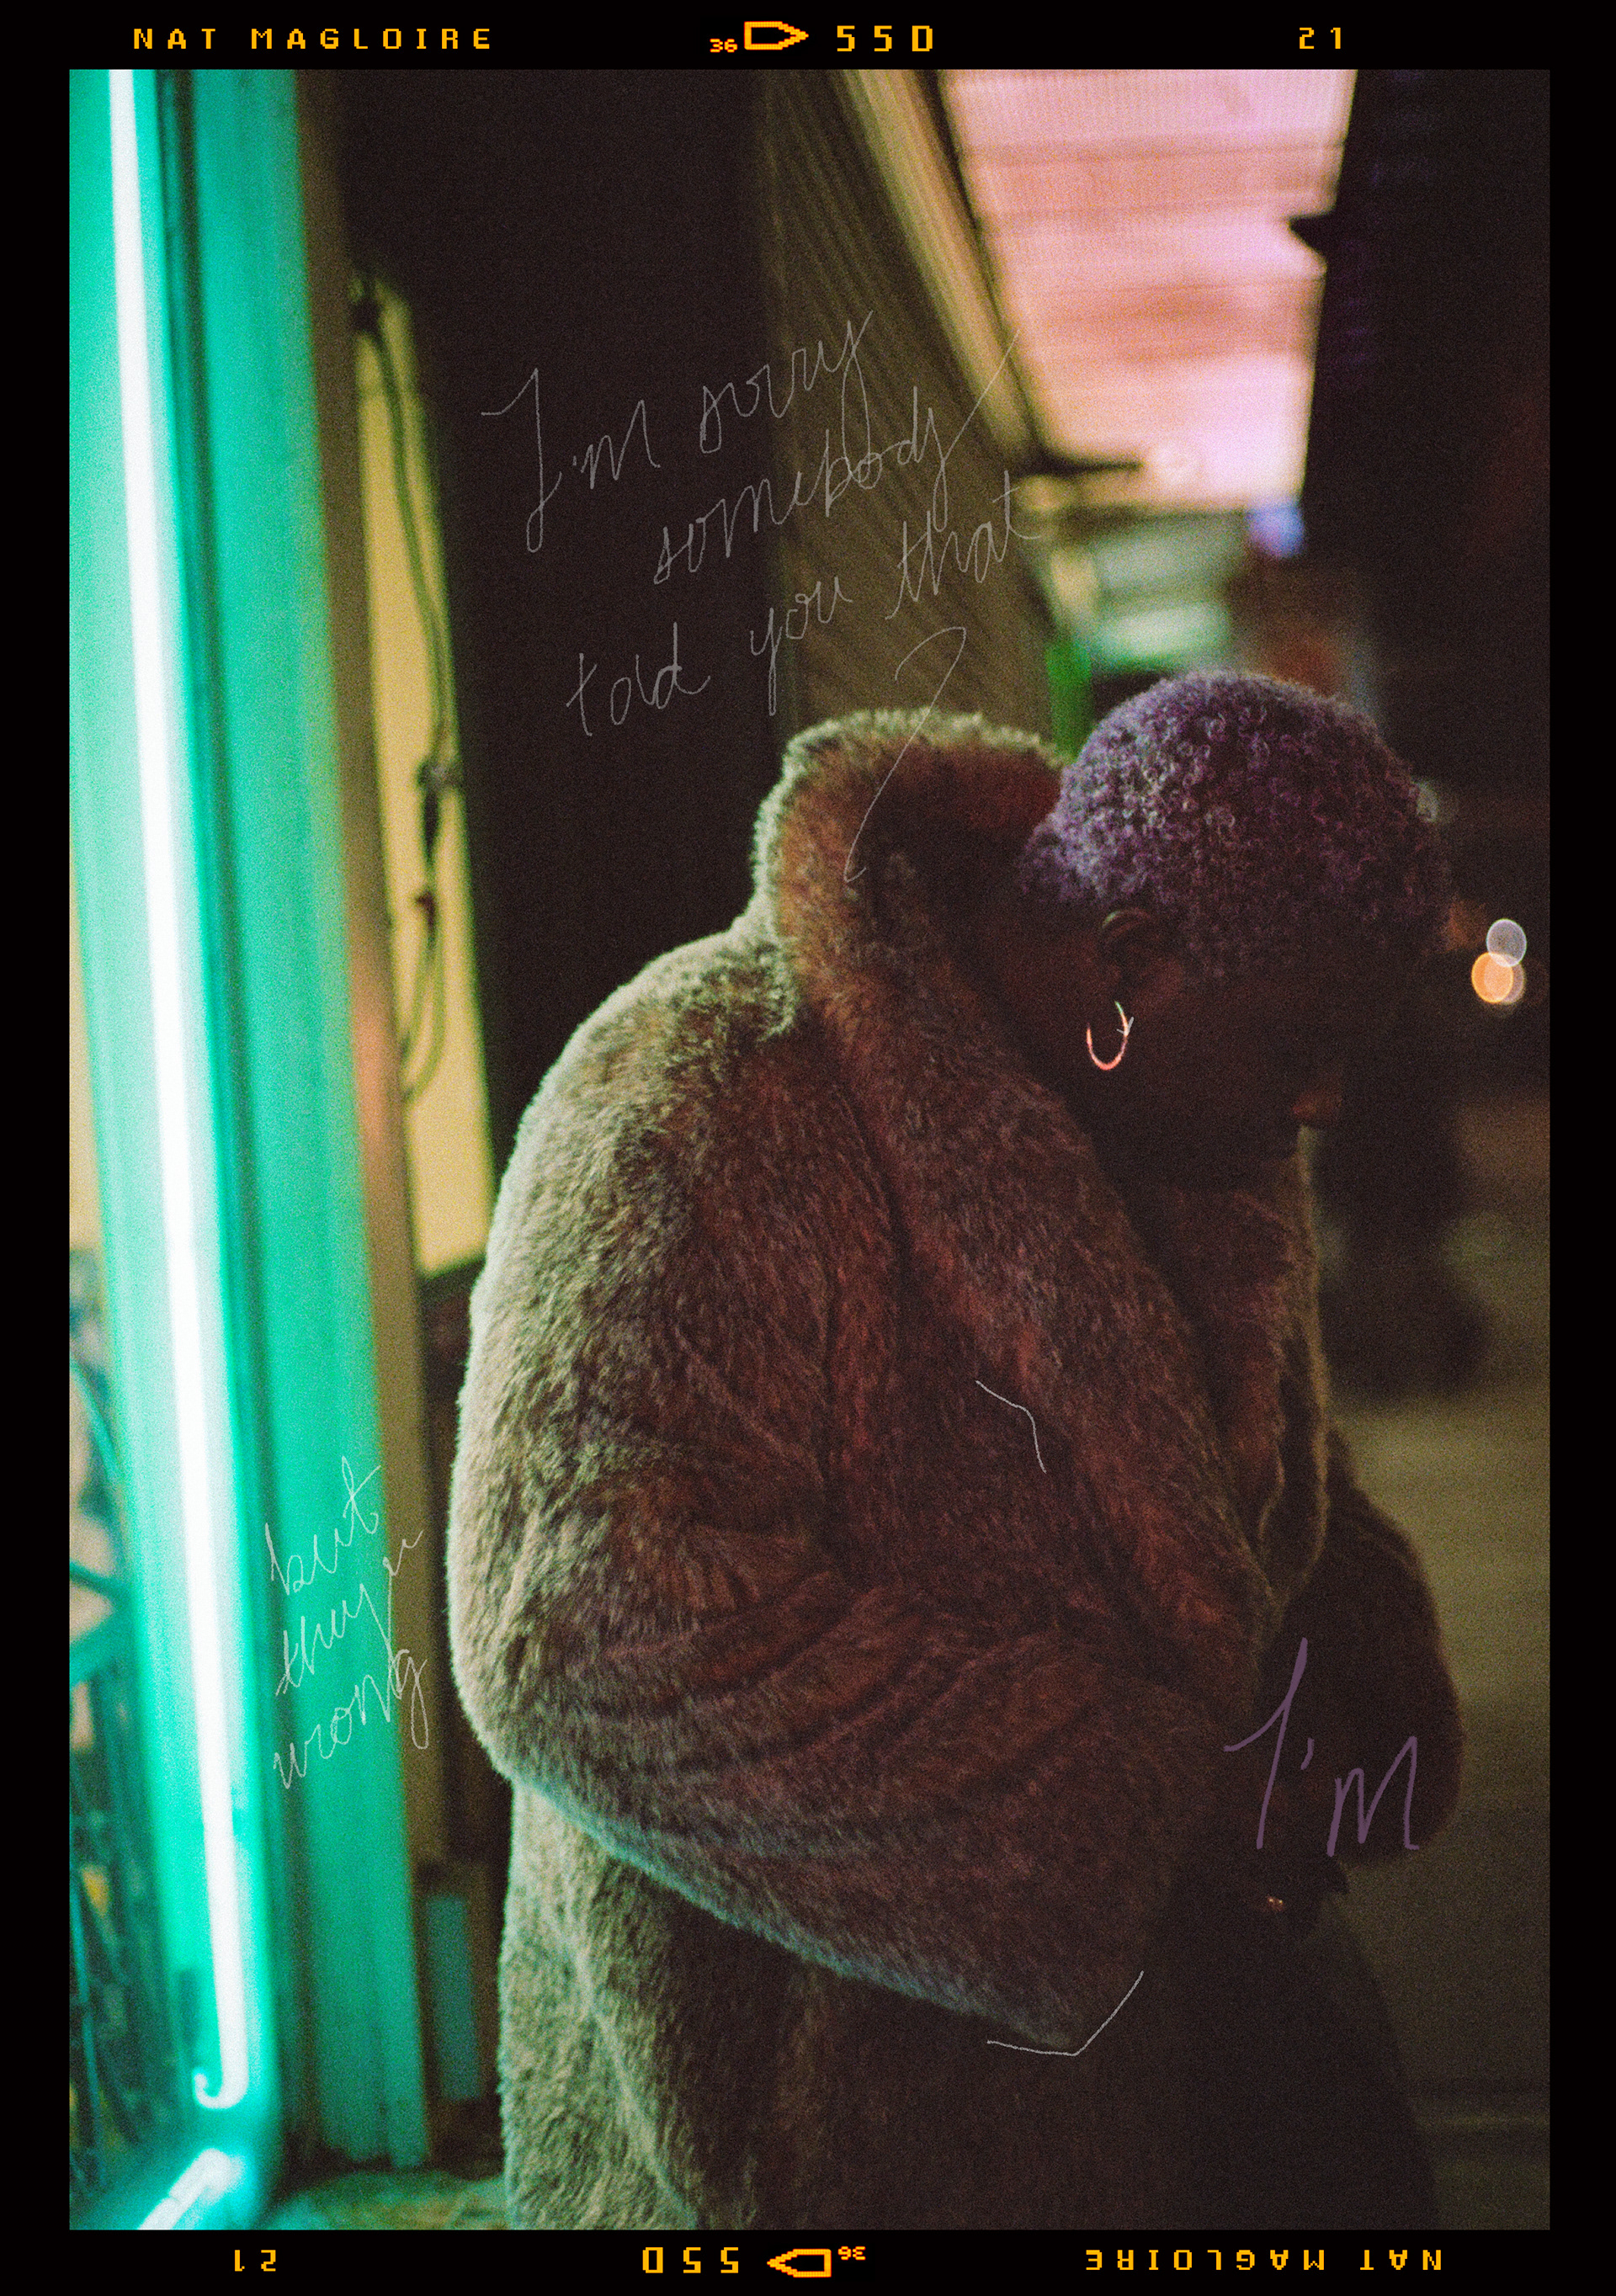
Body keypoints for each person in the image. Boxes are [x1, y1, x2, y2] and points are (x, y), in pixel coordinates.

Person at [447, 672, 1464, 2232]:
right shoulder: (703, 1095)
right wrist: (1137, 1802)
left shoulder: (1193, 1115)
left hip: (1180, 2079)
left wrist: (1332, 1678)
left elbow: (1217, 1501)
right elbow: (574, 1632)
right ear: (1127, 960)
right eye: (1296, 1045)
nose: (1323, 1102)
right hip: (796, 2157)